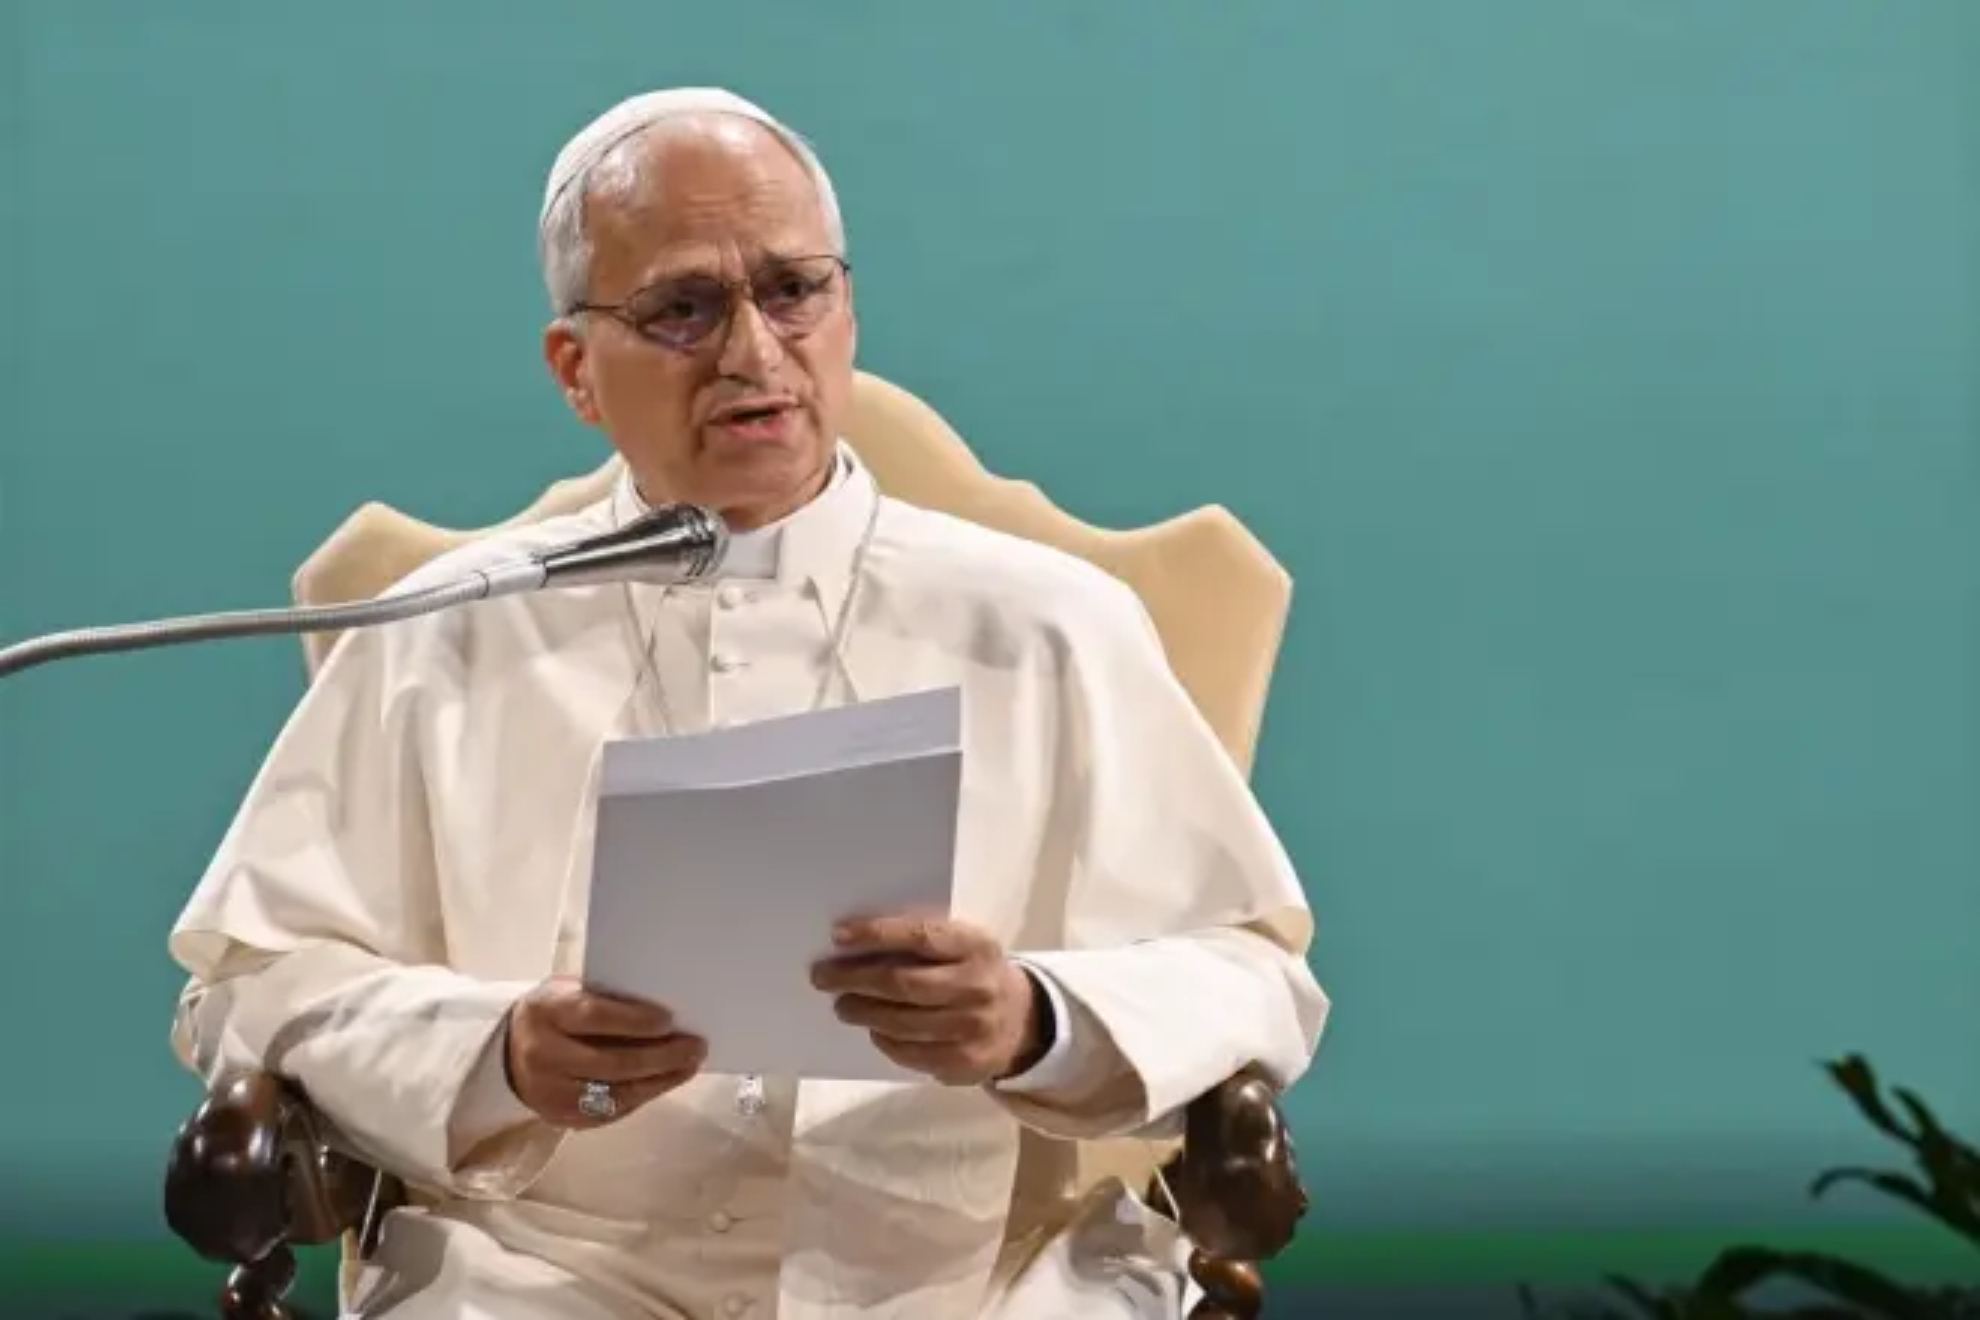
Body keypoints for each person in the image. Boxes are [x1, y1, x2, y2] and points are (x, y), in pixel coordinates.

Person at [168, 86, 1329, 1320]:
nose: (753, 352)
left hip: (978, 1281)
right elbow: (251, 989)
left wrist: (1033, 1020)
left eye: (793, 291)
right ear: (576, 369)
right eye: (683, 308)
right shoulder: (441, 631)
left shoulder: (1049, 620)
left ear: (848, 311)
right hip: (539, 1279)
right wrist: (495, 1054)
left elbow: (1252, 974)